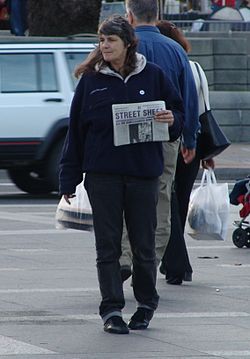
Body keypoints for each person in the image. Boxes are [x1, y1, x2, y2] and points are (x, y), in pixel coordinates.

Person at [59, 15, 184, 334]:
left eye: (110, 41)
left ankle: (145, 304)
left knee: (143, 245)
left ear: (128, 44)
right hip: (103, 175)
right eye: (101, 41)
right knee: (108, 246)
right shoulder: (91, 81)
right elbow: (76, 132)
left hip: (143, 174)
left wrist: (171, 120)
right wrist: (68, 179)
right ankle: (111, 309)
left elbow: (178, 114)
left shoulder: (153, 76)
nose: (104, 46)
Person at [120, 0, 199, 281]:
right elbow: (190, 98)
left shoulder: (125, 47)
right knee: (162, 198)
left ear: (130, 15)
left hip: (127, 134)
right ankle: (149, 263)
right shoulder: (176, 50)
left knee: (126, 195)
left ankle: (124, 256)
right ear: (158, 14)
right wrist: (190, 137)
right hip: (166, 134)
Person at [156, 20, 214, 284]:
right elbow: (204, 109)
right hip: (195, 140)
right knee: (178, 202)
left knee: (167, 204)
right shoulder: (196, 67)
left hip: (174, 136)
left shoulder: (162, 66)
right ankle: (175, 263)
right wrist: (206, 151)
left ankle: (177, 265)